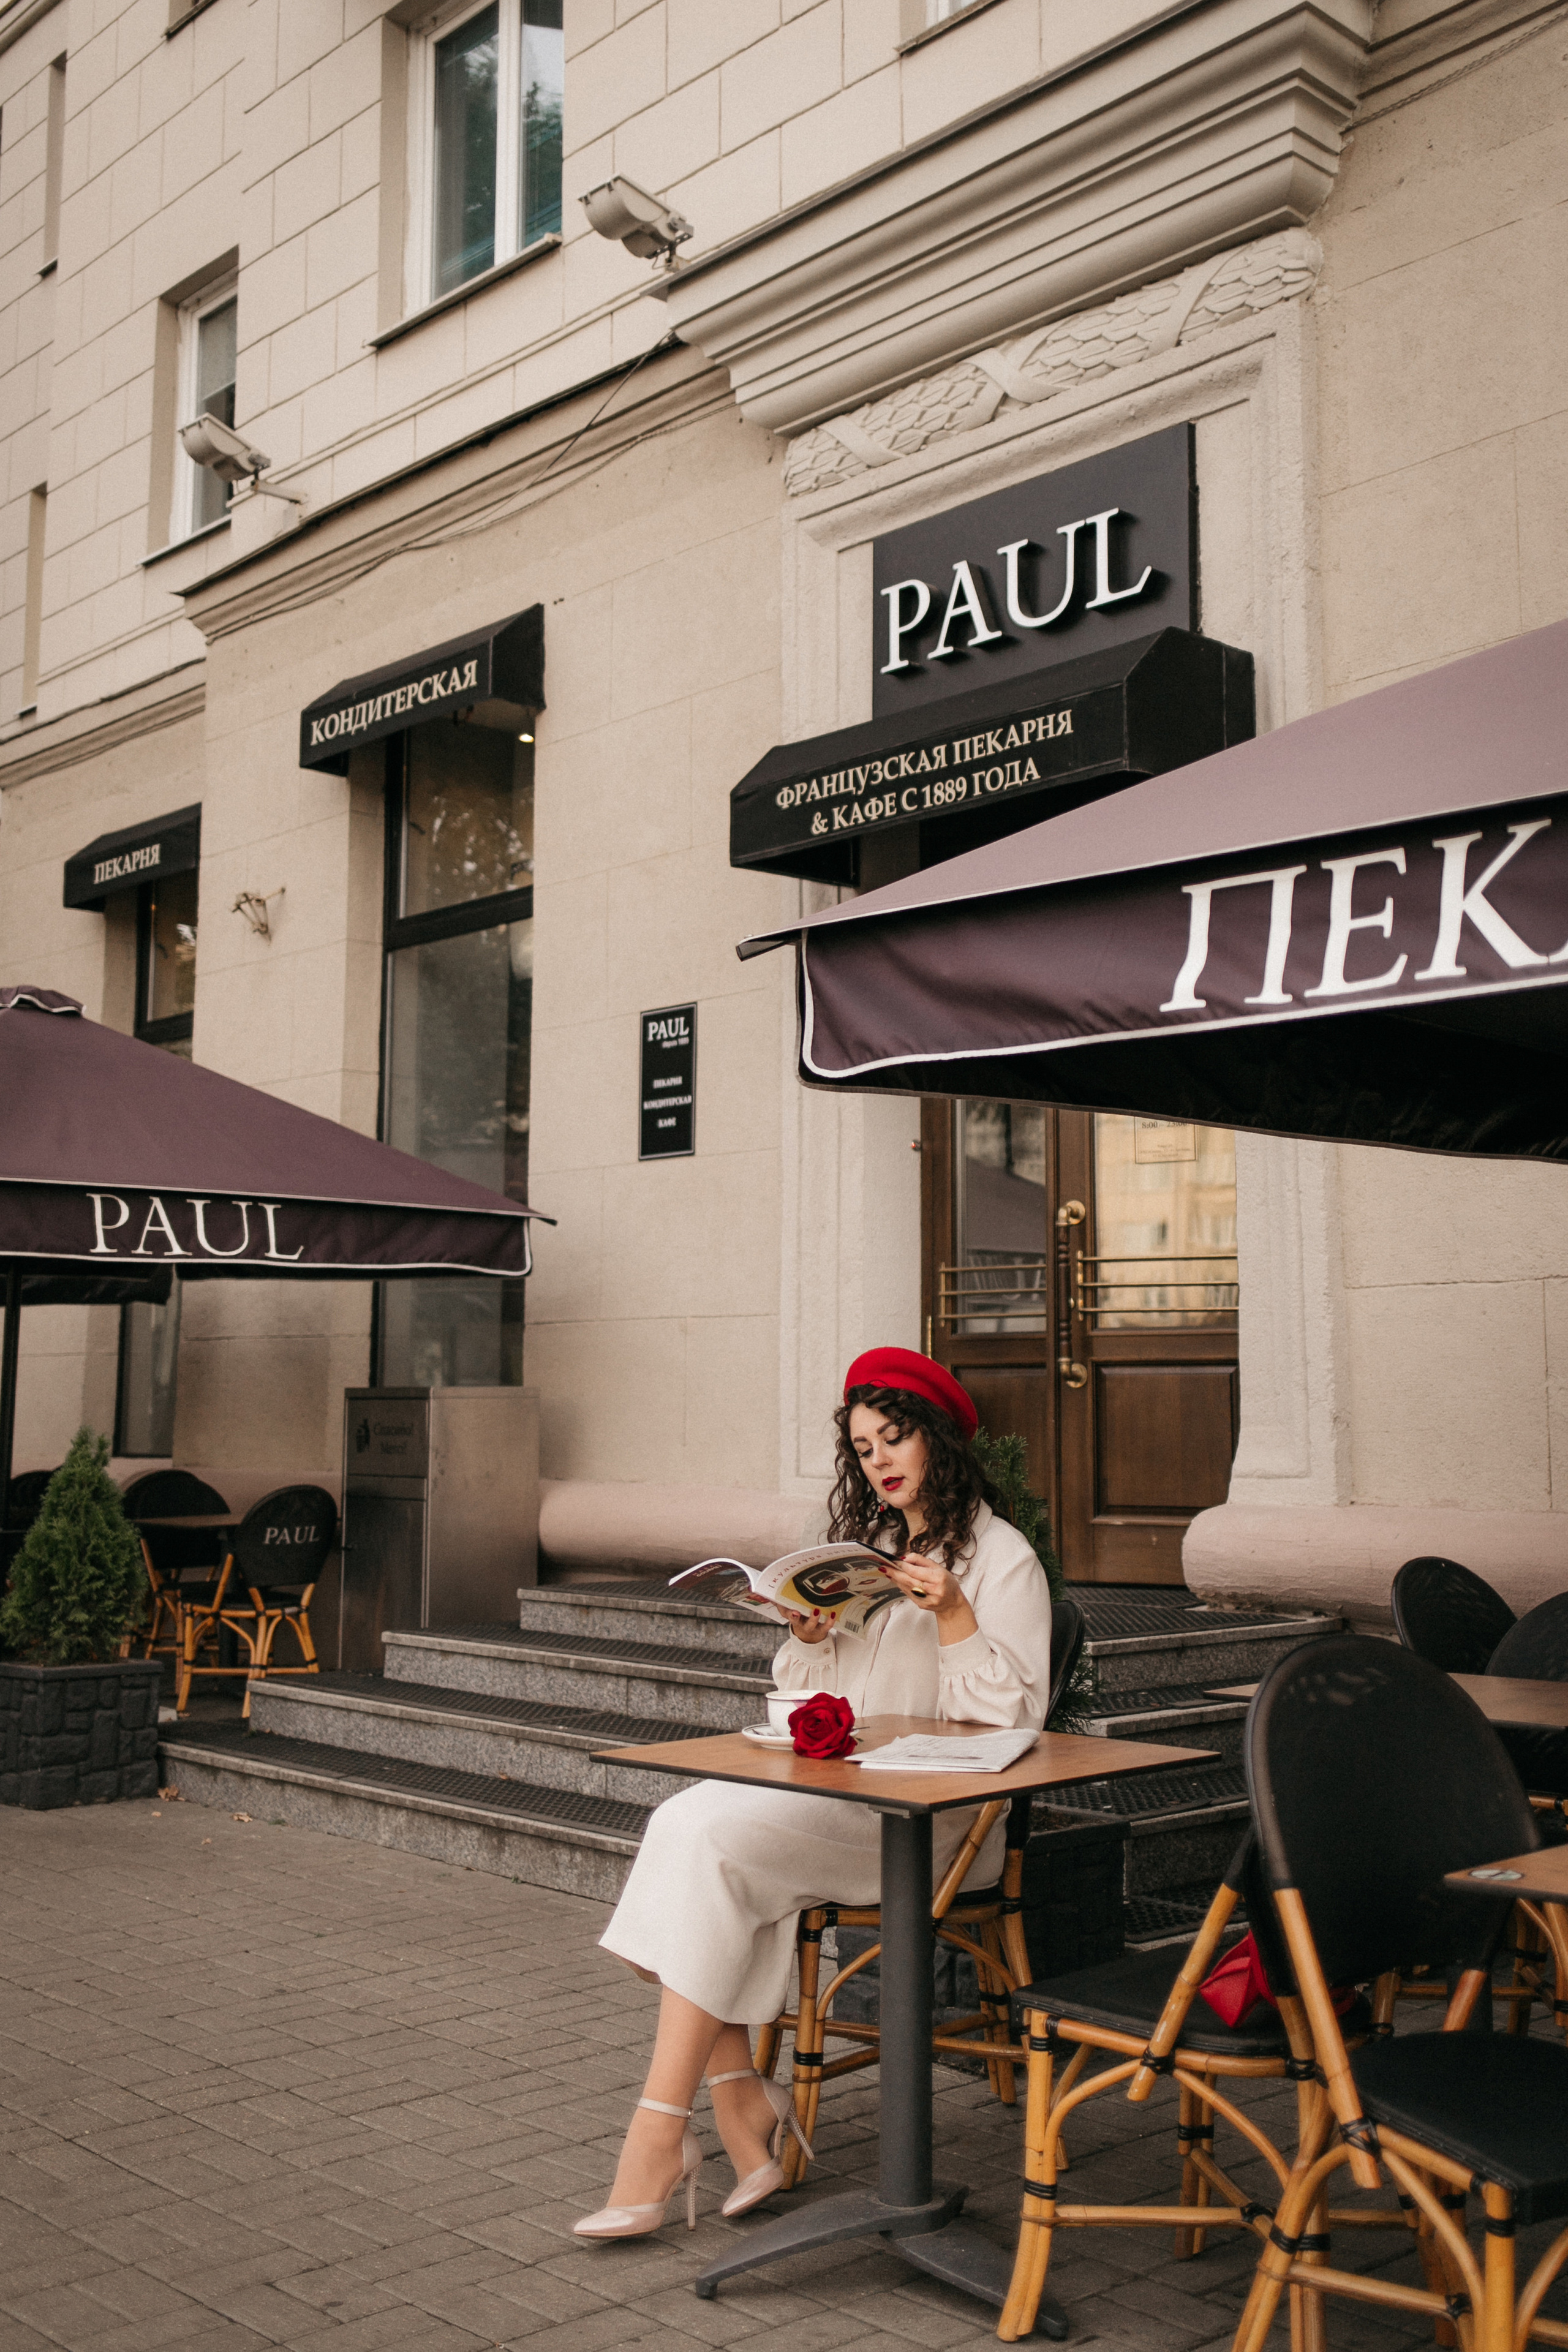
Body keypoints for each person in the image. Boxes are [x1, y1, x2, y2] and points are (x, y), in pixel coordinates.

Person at [574, 1345, 1054, 2242]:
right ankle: (735, 2105)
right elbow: (822, 1700)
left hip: (944, 1821)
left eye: (895, 1436)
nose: (879, 1459)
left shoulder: (1003, 1559)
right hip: (848, 1799)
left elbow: (1012, 1728)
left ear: (940, 1441)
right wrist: (811, 1632)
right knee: (683, 1820)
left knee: (706, 1845)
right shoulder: (871, 1551)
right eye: (865, 1445)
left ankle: (668, 2134)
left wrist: (954, 1616)